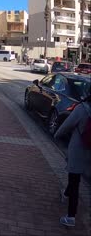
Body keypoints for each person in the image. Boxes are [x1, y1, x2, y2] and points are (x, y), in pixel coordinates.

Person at [54, 95, 91, 227]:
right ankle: (66, 194)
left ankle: (71, 217)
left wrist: (57, 135)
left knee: (74, 181)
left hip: (79, 150)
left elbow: (67, 126)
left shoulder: (82, 108)